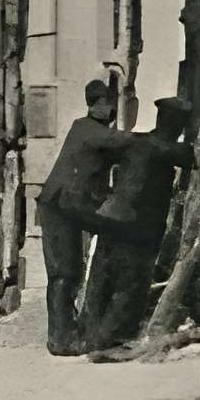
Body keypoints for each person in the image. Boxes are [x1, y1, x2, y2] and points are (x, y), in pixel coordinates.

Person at [79, 94, 196, 356]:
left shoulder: (137, 141)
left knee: (102, 276)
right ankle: (108, 342)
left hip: (110, 217)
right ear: (176, 126)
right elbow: (192, 155)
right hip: (135, 226)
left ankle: (89, 336)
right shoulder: (163, 147)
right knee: (130, 283)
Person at [33, 77, 134, 356]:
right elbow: (122, 142)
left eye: (107, 102)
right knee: (64, 273)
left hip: (69, 207)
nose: (105, 108)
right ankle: (60, 341)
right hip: (58, 207)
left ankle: (69, 333)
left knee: (71, 271)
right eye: (99, 103)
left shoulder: (96, 132)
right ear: (93, 106)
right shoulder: (86, 128)